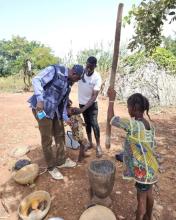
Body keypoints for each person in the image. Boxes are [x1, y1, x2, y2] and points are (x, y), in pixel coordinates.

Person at [107, 87, 159, 220]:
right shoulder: (149, 125)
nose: (127, 109)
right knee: (149, 194)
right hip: (152, 168)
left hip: (143, 171)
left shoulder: (133, 125)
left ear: (134, 108)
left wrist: (112, 100)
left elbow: (111, 119)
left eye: (128, 107)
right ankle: (148, 216)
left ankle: (140, 216)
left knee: (141, 200)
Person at [28, 64, 84, 180]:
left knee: (60, 134)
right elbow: (36, 79)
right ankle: (51, 167)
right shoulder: (54, 70)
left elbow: (62, 104)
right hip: (41, 109)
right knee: (47, 138)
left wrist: (66, 118)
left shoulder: (68, 84)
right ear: (73, 73)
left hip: (54, 111)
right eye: (77, 79)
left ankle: (61, 160)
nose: (77, 82)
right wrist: (40, 99)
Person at [74, 56, 103, 158]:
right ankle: (90, 143)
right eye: (87, 65)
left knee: (94, 124)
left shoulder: (97, 77)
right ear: (86, 64)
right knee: (87, 124)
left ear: (95, 66)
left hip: (92, 104)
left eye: (91, 66)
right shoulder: (81, 73)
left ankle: (98, 146)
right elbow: (72, 79)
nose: (89, 68)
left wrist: (83, 109)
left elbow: (94, 96)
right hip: (82, 103)